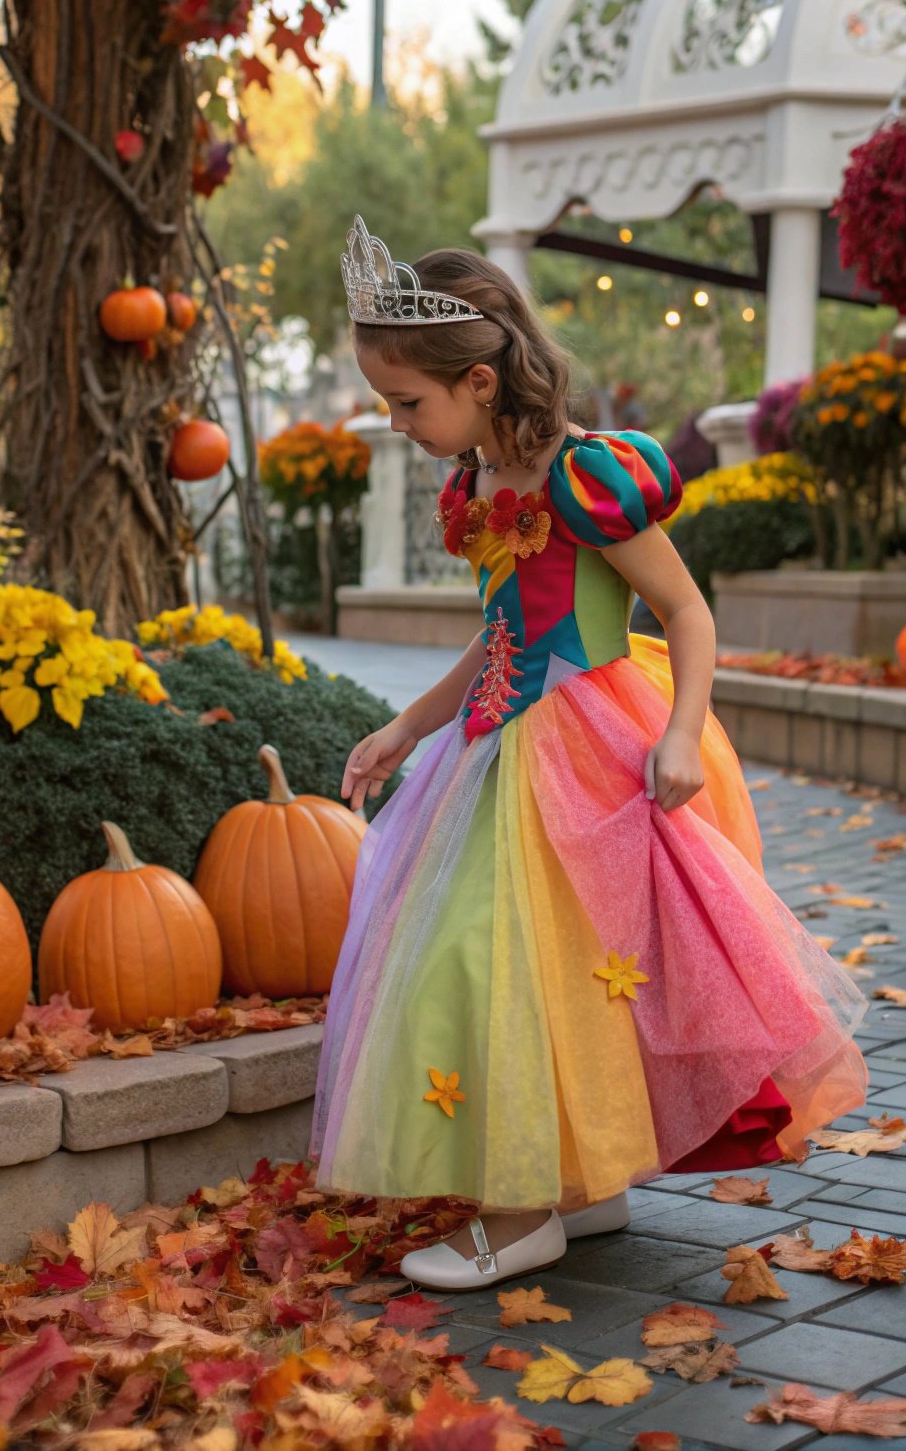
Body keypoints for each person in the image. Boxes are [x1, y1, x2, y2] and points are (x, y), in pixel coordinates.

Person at [308, 216, 868, 1292]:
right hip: (493, 751)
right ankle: (579, 1181)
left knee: (510, 964)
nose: (395, 421)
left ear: (478, 380)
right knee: (530, 969)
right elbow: (497, 628)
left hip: (592, 749)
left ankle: (518, 1216)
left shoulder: (581, 480)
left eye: (406, 402)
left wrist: (678, 731)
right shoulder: (475, 489)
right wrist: (407, 725)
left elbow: (686, 609)